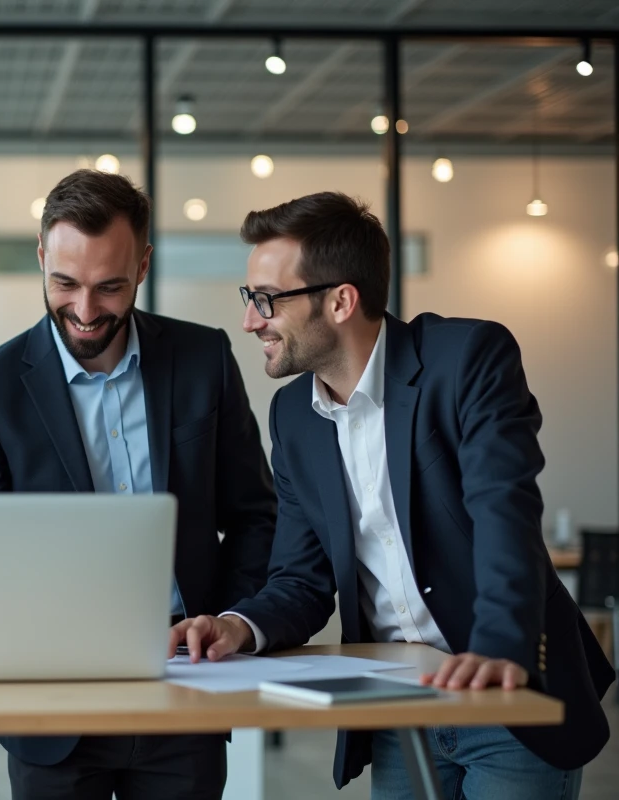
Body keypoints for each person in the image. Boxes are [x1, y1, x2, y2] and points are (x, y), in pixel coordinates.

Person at [170, 191, 614, 799]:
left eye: (267, 299)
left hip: (505, 696)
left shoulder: (467, 359)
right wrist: (236, 626)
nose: (251, 320)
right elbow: (300, 579)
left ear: (341, 301)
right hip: (399, 706)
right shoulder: (293, 416)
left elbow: (504, 511)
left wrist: (499, 648)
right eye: (250, 298)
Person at [0, 168, 277, 800]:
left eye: (109, 287)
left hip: (187, 686)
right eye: (65, 283)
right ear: (41, 256)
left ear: (143, 265)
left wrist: (229, 620)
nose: (85, 310)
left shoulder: (204, 358)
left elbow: (255, 515)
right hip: (50, 697)